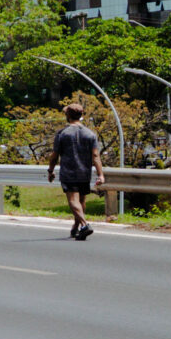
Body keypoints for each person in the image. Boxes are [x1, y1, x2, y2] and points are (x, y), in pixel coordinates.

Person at [49, 100, 102, 240]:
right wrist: (100, 174)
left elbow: (54, 156)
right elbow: (96, 155)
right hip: (85, 172)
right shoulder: (90, 134)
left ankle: (84, 225)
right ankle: (76, 227)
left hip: (69, 172)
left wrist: (50, 171)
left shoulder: (62, 134)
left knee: (73, 200)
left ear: (68, 115)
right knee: (81, 200)